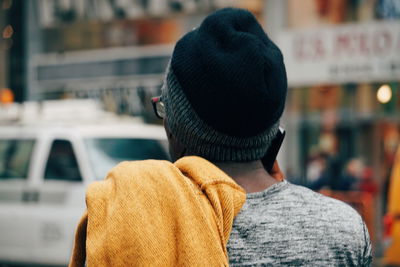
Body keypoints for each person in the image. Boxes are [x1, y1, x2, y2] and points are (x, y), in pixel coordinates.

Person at [70, 7, 372, 266]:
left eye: (163, 109)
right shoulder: (343, 232)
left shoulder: (132, 223)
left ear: (180, 129)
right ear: (271, 130)